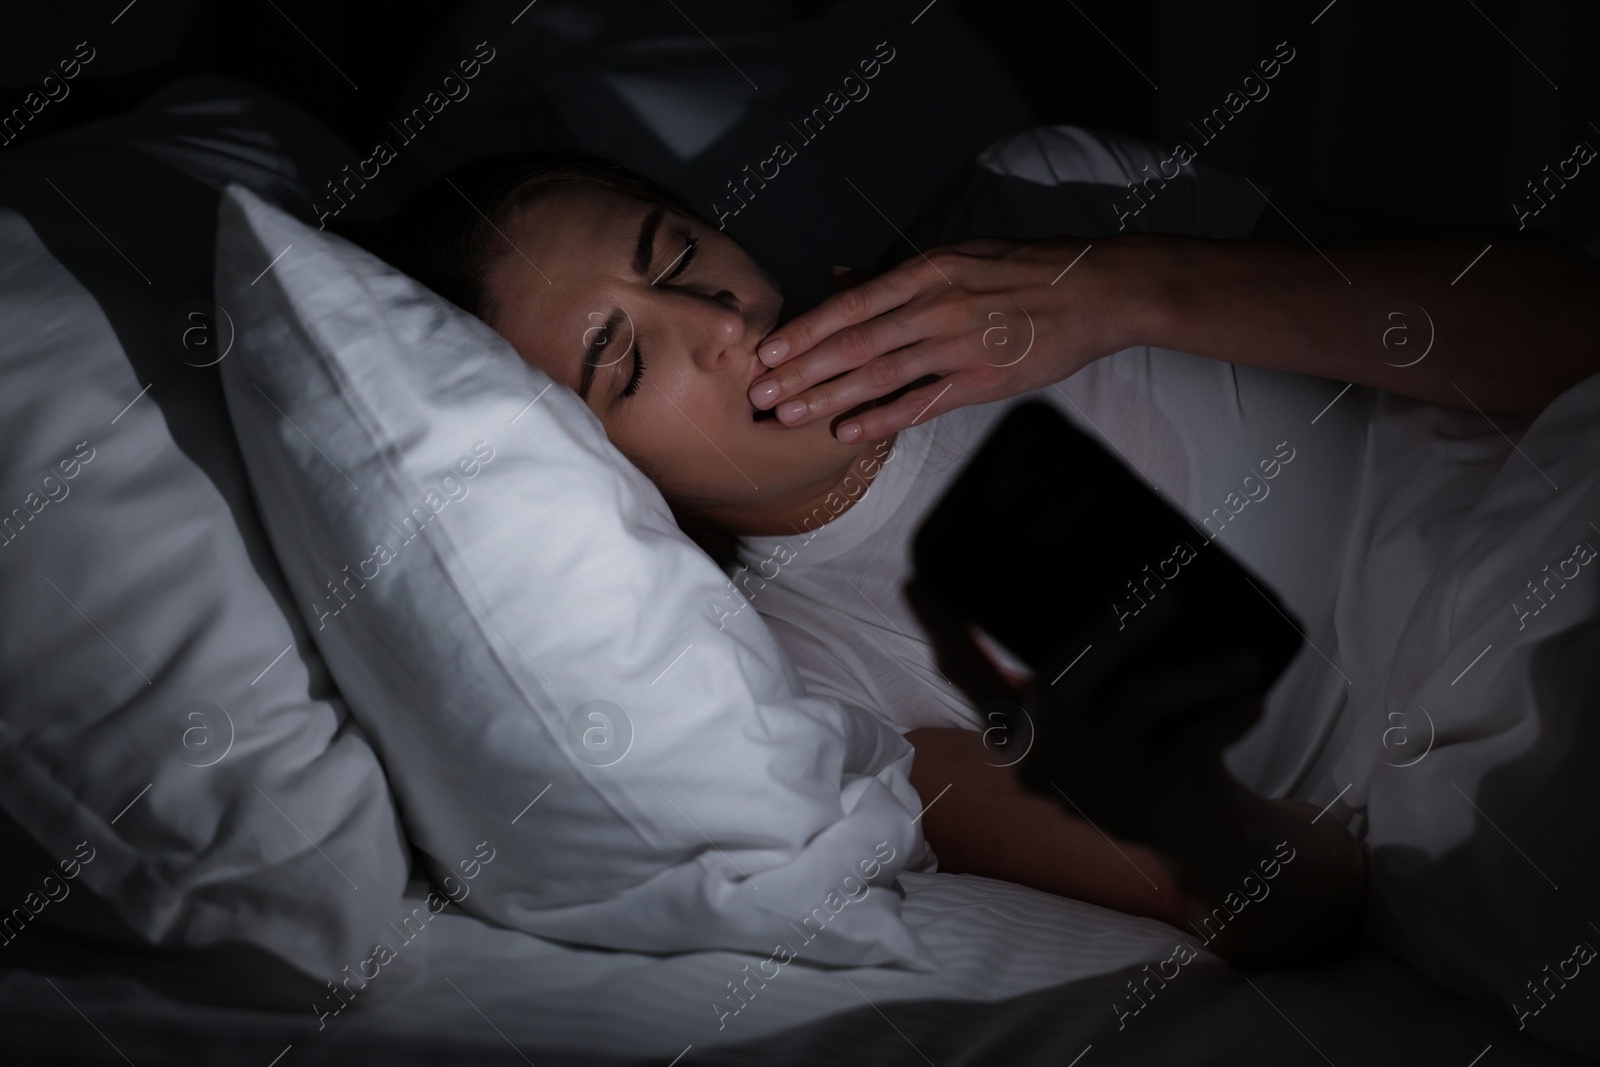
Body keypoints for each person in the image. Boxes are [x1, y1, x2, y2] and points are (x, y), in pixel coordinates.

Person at [348, 129, 1600, 968]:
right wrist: (1177, 804)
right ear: (601, 474)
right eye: (622, 361)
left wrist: (1131, 289)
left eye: (677, 253)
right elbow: (1315, 905)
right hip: (1512, 755)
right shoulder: (822, 687)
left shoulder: (1041, 196)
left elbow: (1569, 322)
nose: (715, 319)